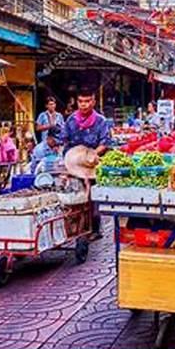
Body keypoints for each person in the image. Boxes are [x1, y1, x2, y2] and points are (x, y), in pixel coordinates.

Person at [61, 87, 111, 240]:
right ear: (77, 102)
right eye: (81, 101)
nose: (84, 104)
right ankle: (74, 226)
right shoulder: (70, 121)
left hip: (92, 163)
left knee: (93, 199)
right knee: (74, 195)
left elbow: (105, 142)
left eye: (87, 101)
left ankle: (95, 229)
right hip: (74, 163)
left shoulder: (101, 121)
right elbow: (65, 141)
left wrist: (92, 155)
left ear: (93, 102)